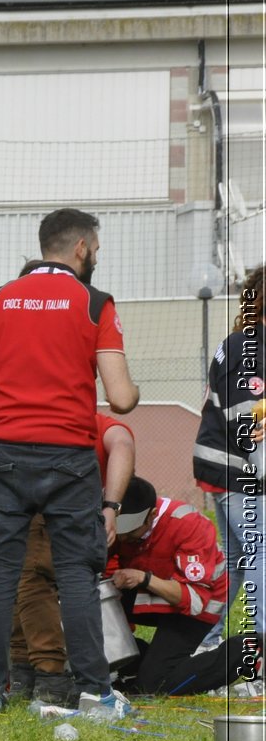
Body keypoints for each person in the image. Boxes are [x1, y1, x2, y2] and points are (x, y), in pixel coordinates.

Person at [0, 208, 140, 721]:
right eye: (97, 250)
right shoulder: (94, 304)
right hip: (68, 459)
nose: (96, 258)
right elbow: (122, 399)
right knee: (78, 577)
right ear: (81, 247)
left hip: (1, 455)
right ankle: (94, 693)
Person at [0, 413, 135, 706]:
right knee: (37, 572)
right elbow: (123, 443)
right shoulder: (93, 425)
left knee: (10, 570)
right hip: (23, 463)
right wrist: (111, 506)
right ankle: (51, 678)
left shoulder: (42, 409)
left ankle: (19, 675)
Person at [108, 476, 259, 694]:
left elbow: (195, 600)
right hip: (150, 594)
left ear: (151, 516)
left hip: (196, 605)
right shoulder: (114, 520)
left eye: (130, 533)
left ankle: (247, 649)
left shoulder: (186, 523)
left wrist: (144, 579)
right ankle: (138, 660)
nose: (123, 540)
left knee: (153, 685)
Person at [193, 265, 265, 648]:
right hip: (237, 471)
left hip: (230, 470)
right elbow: (244, 423)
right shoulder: (248, 347)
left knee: (238, 559)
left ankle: (204, 641)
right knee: (260, 553)